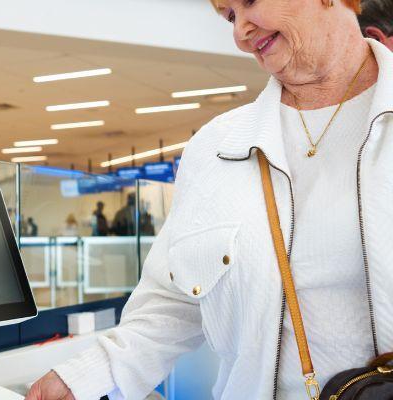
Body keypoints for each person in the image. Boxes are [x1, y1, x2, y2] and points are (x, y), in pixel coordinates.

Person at [27, 1, 392, 399]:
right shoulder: (217, 147)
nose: (240, 32)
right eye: (229, 16)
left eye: (250, 2)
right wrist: (81, 377)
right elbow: (173, 301)